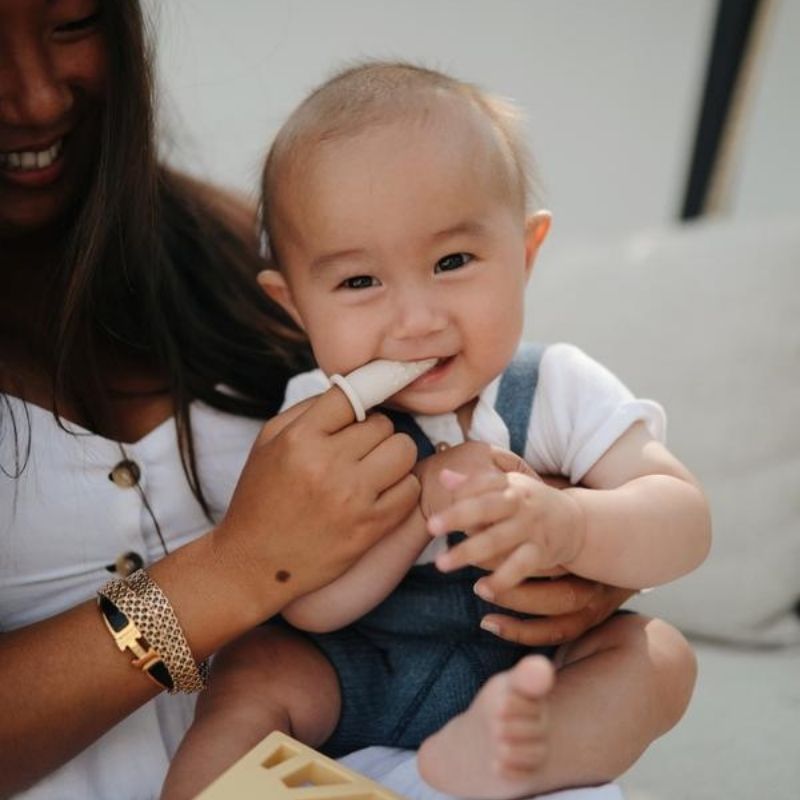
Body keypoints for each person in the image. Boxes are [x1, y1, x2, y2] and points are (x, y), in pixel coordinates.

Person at [0, 5, 633, 799]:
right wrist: (234, 573)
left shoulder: (254, 254)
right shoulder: (307, 275)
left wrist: (584, 545)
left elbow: (588, 476)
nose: (36, 97)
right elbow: (279, 579)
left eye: (72, 22)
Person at [162, 61, 710, 800]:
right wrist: (419, 503)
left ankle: (517, 756)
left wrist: (570, 523)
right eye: (360, 282)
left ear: (524, 254)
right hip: (355, 671)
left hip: (526, 677)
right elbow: (311, 605)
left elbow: (683, 522)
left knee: (659, 656)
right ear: (295, 306)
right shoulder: (316, 420)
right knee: (251, 671)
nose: (417, 321)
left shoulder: (555, 385)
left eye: (452, 261)